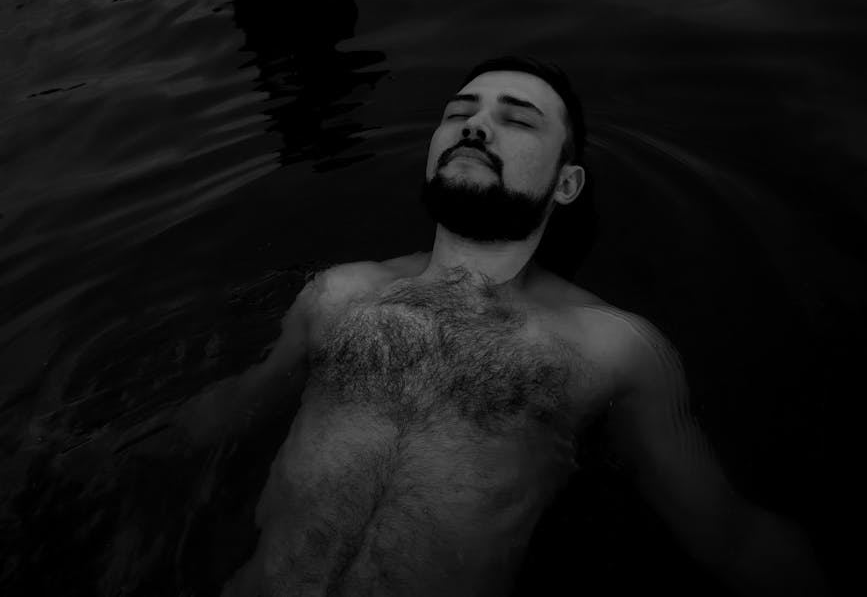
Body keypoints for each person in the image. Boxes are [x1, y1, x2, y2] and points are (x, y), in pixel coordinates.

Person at [200, 56, 828, 596]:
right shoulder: (337, 293)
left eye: (518, 119)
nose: (475, 124)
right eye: (459, 112)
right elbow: (235, 408)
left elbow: (727, 534)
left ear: (566, 183)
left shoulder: (612, 345)